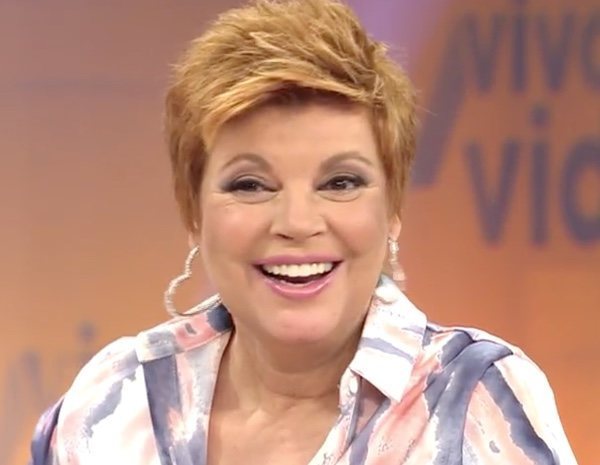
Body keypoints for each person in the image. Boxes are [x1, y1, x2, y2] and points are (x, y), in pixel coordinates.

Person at [29, 0, 578, 464]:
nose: (296, 223)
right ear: (193, 212)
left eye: (340, 183)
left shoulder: (476, 398)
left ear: (393, 210)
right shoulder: (113, 401)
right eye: (250, 185)